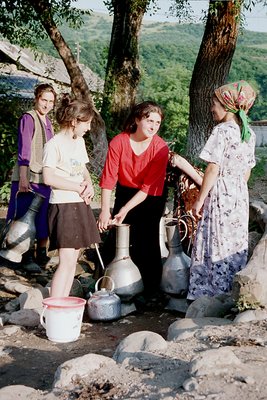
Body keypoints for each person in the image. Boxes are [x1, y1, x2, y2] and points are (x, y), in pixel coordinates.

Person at [187, 80, 257, 301]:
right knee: (233, 240)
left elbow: (213, 168)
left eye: (214, 104)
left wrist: (200, 200)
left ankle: (211, 294)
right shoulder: (249, 134)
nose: (211, 108)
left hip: (221, 192)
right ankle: (232, 290)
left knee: (214, 239)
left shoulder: (222, 131)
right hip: (238, 193)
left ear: (227, 106)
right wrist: (236, 189)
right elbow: (247, 172)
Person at [97, 101, 169, 300]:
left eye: (157, 122)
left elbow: (147, 188)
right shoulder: (119, 142)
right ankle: (108, 285)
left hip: (151, 195)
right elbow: (109, 178)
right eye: (149, 120)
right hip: (125, 190)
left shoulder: (160, 147)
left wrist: (125, 209)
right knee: (118, 237)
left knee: (147, 240)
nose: (153, 126)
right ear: (137, 119)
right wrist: (105, 210)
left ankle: (149, 290)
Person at [42, 94, 101, 298]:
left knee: (73, 260)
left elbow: (83, 169)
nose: (88, 128)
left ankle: (62, 304)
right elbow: (48, 177)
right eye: (86, 123)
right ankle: (54, 308)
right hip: (63, 206)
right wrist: (77, 187)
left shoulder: (79, 143)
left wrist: (90, 185)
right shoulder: (54, 144)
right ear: (74, 120)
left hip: (79, 205)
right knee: (66, 262)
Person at [6, 83, 56, 272]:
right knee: (24, 217)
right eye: (44, 100)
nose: (46, 104)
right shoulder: (29, 118)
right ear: (36, 98)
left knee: (43, 216)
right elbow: (24, 149)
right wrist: (24, 177)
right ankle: (22, 256)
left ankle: (40, 254)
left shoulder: (48, 121)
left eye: (51, 101)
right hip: (29, 178)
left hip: (43, 178)